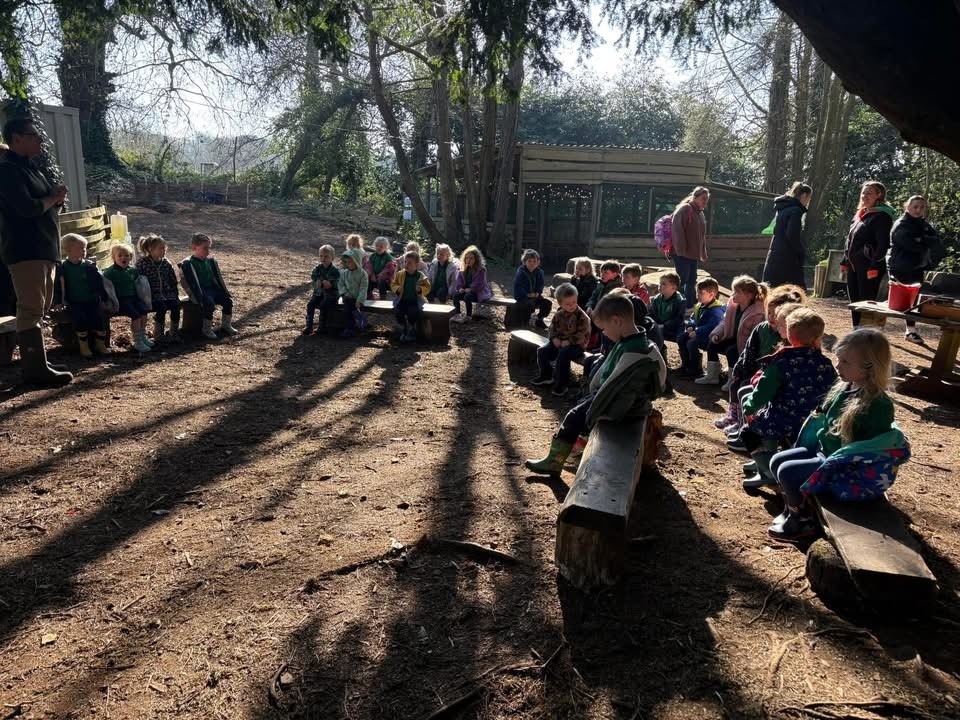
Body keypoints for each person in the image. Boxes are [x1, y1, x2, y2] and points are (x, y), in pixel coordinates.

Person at [766, 328, 906, 543]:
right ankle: (793, 507)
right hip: (825, 452)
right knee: (777, 460)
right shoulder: (846, 387)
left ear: (869, 367)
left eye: (845, 362)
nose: (838, 366)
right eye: (838, 359)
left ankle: (803, 521)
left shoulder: (877, 404)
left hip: (843, 468)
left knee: (787, 471)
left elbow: (877, 448)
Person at [524, 293, 666, 476]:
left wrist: (593, 412)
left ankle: (554, 461)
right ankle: (573, 450)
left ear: (616, 321)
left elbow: (614, 390)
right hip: (616, 397)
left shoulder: (633, 351)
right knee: (580, 406)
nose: (603, 333)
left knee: (574, 416)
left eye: (604, 329)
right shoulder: (634, 340)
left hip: (619, 404)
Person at [0, 117, 72, 386]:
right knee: (30, 308)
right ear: (16, 138)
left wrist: (56, 199)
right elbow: (26, 208)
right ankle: (34, 370)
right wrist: (52, 197)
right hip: (25, 249)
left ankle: (39, 363)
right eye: (33, 135)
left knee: (40, 307)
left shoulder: (30, 168)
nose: (40, 139)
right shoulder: (7, 170)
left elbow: (43, 206)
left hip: (43, 248)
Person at [737, 307, 837, 490]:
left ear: (790, 336)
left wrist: (749, 407)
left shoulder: (781, 362)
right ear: (818, 337)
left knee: (748, 432)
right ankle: (766, 461)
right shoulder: (825, 363)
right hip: (811, 423)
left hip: (783, 419)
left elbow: (762, 393)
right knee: (766, 419)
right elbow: (833, 392)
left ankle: (767, 470)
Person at [715, 285, 806, 435]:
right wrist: (740, 370)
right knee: (737, 382)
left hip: (772, 377)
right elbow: (748, 352)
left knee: (747, 388)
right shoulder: (761, 329)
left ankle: (745, 423)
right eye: (768, 312)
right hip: (756, 370)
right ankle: (734, 416)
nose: (771, 317)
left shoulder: (788, 335)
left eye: (775, 314)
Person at [887, 195, 945, 344]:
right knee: (897, 303)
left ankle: (910, 331)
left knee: (913, 302)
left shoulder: (924, 225)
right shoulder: (901, 224)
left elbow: (937, 242)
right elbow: (910, 245)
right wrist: (925, 241)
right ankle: (875, 329)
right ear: (907, 207)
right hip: (900, 268)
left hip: (917, 267)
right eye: (915, 207)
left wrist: (922, 240)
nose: (918, 210)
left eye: (922, 207)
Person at [843, 181, 895, 328]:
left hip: (869, 266)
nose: (865, 196)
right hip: (853, 264)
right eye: (863, 193)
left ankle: (866, 332)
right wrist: (844, 261)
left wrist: (874, 266)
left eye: (869, 193)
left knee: (866, 301)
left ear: (879, 195)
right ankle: (856, 329)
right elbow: (850, 239)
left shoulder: (882, 216)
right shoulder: (860, 214)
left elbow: (883, 244)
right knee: (854, 300)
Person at [696, 275, 767, 386]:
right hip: (732, 338)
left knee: (731, 351)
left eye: (737, 292)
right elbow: (724, 322)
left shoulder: (757, 312)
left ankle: (733, 380)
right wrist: (717, 334)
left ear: (749, 295)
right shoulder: (733, 306)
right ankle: (712, 375)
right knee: (713, 344)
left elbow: (755, 335)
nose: (733, 294)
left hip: (745, 344)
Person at [52, 233, 111, 357]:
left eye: (85, 248)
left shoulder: (89, 266)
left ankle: (100, 344)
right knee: (80, 320)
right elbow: (57, 286)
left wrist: (104, 298)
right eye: (81, 248)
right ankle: (84, 346)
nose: (84, 250)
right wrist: (58, 302)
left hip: (92, 300)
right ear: (68, 250)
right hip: (74, 301)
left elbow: (99, 283)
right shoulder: (62, 268)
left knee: (98, 318)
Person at [531, 282, 590, 397]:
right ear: (560, 304)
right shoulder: (559, 314)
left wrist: (569, 341)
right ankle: (546, 376)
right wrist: (554, 338)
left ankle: (562, 384)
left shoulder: (582, 316)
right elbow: (552, 328)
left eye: (574, 302)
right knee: (542, 351)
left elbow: (583, 334)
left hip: (577, 345)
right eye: (567, 304)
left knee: (563, 354)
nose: (572, 306)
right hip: (559, 341)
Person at [179, 232, 237, 340]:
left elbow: (214, 278)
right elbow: (188, 281)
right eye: (204, 248)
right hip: (202, 290)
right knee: (209, 304)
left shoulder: (209, 261)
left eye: (208, 248)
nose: (208, 251)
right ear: (194, 248)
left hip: (212, 289)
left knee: (228, 301)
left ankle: (226, 325)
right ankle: (206, 329)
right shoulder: (190, 263)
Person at [103, 243, 152, 353]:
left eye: (126, 255)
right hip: (121, 300)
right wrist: (108, 301)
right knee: (135, 315)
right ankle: (137, 341)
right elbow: (106, 287)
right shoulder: (110, 272)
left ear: (130, 257)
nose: (123, 258)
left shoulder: (132, 270)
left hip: (133, 297)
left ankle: (142, 336)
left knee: (144, 311)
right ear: (114, 257)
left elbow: (138, 284)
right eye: (120, 255)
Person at [762, 182, 812, 288]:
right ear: (804, 195)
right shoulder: (796, 211)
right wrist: (801, 252)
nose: (808, 201)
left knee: (773, 287)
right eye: (809, 198)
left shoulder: (783, 209)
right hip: (787, 258)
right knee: (795, 289)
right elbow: (792, 235)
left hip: (775, 253)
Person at [136, 233, 182, 342]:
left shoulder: (166, 263)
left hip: (167, 293)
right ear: (150, 249)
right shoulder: (142, 263)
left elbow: (173, 280)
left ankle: (174, 333)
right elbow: (138, 281)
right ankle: (158, 335)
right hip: (151, 296)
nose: (164, 250)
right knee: (161, 307)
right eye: (160, 248)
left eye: (164, 247)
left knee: (176, 306)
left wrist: (175, 294)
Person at [676, 277, 724, 379]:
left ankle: (695, 369)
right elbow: (693, 318)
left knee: (691, 343)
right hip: (699, 333)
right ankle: (686, 365)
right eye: (697, 292)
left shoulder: (716, 309)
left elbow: (712, 326)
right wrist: (690, 326)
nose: (697, 295)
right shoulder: (699, 306)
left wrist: (697, 331)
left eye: (701, 293)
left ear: (711, 295)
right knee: (681, 338)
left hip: (710, 337)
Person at [670, 186, 710, 308]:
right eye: (703, 199)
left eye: (707, 199)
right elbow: (677, 230)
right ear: (695, 197)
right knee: (682, 280)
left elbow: (702, 235)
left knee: (692, 280)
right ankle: (676, 305)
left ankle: (689, 306)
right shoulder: (685, 209)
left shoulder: (700, 213)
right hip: (682, 254)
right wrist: (681, 251)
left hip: (693, 254)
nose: (705, 202)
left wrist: (703, 253)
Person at [391, 250, 431, 343]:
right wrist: (397, 289)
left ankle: (411, 330)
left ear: (416, 265)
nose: (406, 264)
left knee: (412, 312)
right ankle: (403, 329)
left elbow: (428, 287)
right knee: (398, 312)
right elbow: (393, 283)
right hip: (402, 300)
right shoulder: (400, 274)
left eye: (409, 263)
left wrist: (420, 289)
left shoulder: (421, 276)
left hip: (415, 301)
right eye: (405, 262)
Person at [303, 244, 340, 335]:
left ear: (332, 258)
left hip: (332, 294)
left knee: (324, 305)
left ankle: (322, 326)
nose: (323, 259)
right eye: (321, 256)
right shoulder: (318, 268)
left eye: (326, 256)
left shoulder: (335, 270)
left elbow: (338, 282)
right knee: (311, 304)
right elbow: (313, 276)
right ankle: (309, 326)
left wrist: (330, 284)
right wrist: (317, 281)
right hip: (319, 293)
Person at [649, 271, 686, 361]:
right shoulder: (655, 299)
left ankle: (686, 362)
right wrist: (655, 323)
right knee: (651, 333)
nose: (660, 286)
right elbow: (651, 314)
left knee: (682, 338)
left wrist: (664, 325)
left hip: (674, 327)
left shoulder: (679, 300)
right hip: (659, 326)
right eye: (660, 283)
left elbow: (679, 319)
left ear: (673, 288)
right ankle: (660, 358)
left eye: (663, 284)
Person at [512, 249, 552, 329]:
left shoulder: (539, 272)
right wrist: (526, 294)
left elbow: (540, 284)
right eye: (529, 261)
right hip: (523, 297)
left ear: (538, 262)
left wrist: (538, 292)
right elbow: (518, 286)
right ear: (524, 262)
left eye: (534, 261)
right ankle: (526, 322)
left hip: (535, 296)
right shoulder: (521, 272)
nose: (532, 263)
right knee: (529, 304)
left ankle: (539, 319)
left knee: (547, 303)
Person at [452, 245, 492, 323]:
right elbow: (459, 280)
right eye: (467, 258)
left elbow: (480, 284)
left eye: (471, 258)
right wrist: (460, 288)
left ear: (476, 259)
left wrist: (471, 289)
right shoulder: (462, 268)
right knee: (456, 295)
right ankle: (457, 314)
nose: (468, 260)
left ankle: (468, 316)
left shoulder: (481, 270)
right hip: (465, 290)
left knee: (468, 296)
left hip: (477, 292)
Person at [337, 247, 369, 338]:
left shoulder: (363, 274)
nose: (348, 264)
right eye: (346, 262)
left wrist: (360, 300)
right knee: (347, 307)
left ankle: (351, 328)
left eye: (350, 262)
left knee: (349, 308)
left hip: (357, 298)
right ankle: (352, 325)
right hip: (346, 297)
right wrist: (344, 292)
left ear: (357, 261)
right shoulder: (344, 273)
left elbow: (363, 288)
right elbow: (340, 284)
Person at [363, 236, 396, 300]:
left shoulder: (388, 257)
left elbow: (389, 269)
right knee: (367, 280)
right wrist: (372, 274)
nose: (378, 248)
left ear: (385, 248)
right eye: (377, 246)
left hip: (385, 279)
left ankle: (383, 297)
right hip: (374, 277)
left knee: (381, 282)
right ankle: (368, 296)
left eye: (381, 246)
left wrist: (380, 275)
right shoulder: (373, 256)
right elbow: (369, 266)